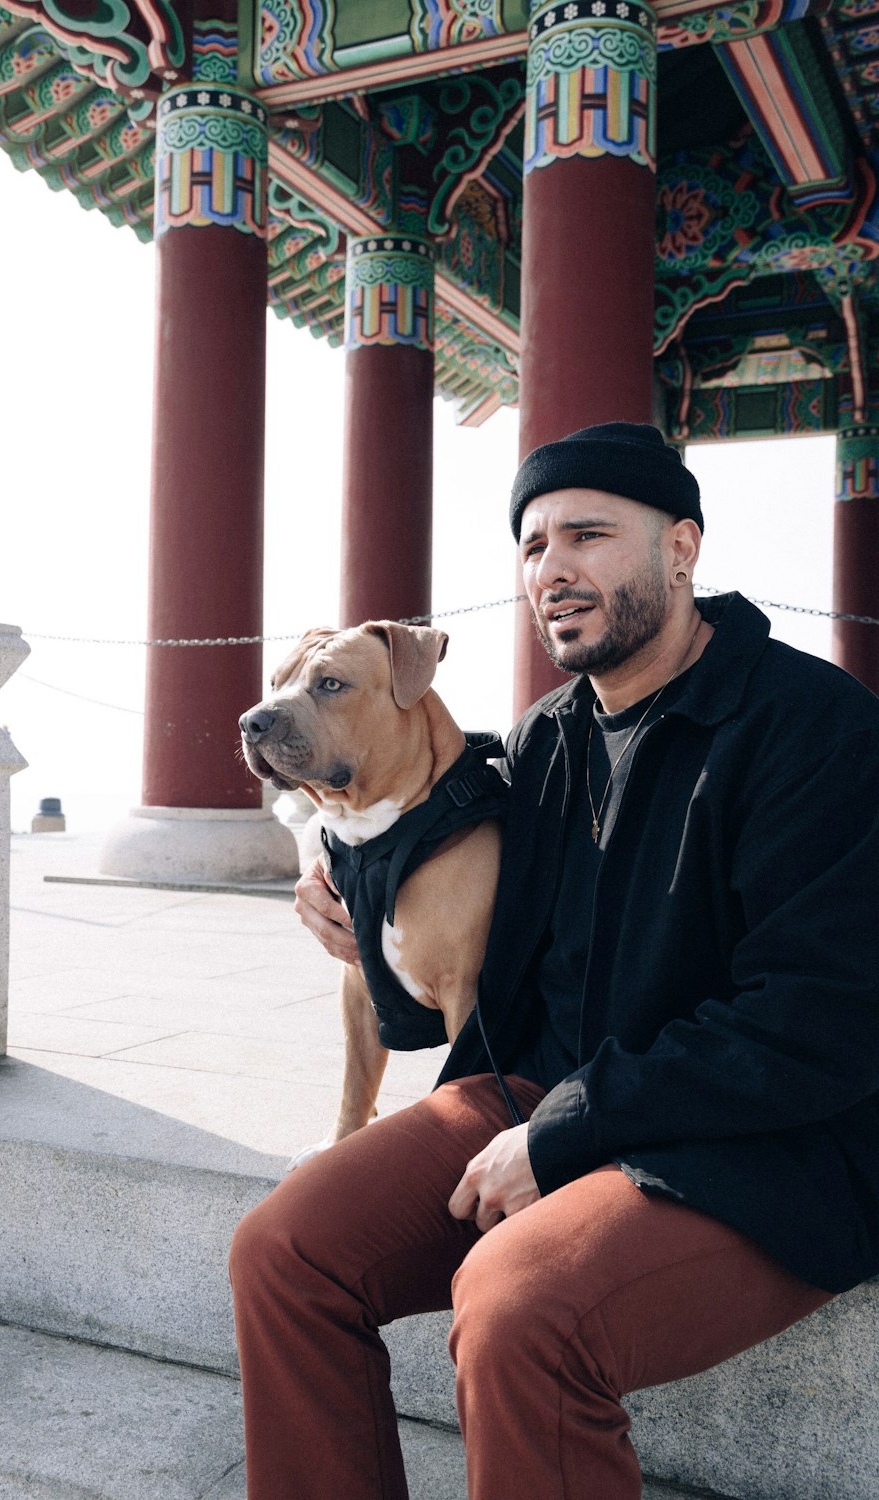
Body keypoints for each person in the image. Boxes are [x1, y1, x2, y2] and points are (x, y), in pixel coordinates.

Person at [229, 422, 879, 1500]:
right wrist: (343, 883)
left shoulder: (814, 727)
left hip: (767, 1146)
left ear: (681, 548)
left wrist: (571, 1131)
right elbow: (420, 832)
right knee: (284, 1252)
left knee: (521, 1304)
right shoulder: (543, 737)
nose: (553, 570)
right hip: (541, 1088)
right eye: (532, 546)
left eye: (588, 535)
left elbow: (822, 1022)